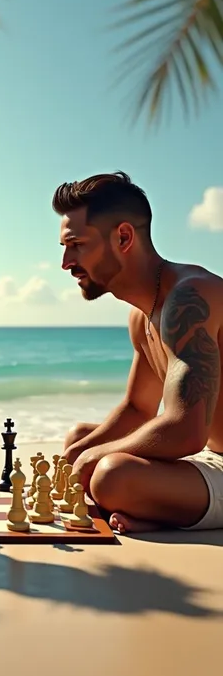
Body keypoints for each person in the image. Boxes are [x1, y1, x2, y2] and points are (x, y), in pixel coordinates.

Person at [53, 171, 223, 534]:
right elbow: (138, 410)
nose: (66, 262)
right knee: (77, 440)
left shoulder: (190, 298)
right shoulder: (141, 316)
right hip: (210, 455)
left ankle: (151, 510)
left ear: (124, 237)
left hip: (210, 454)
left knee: (110, 474)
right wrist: (80, 454)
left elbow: (186, 430)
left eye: (77, 244)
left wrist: (96, 456)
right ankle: (154, 512)